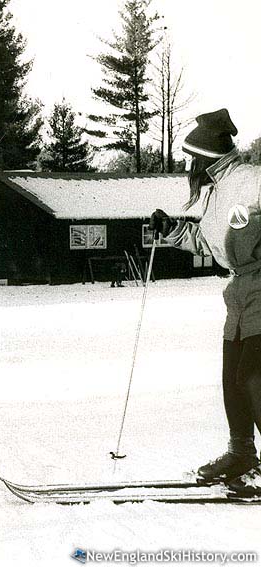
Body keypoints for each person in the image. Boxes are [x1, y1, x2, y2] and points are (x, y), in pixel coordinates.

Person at [150, 108, 261, 496]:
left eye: (189, 158)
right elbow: (206, 243)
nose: (187, 166)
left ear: (203, 156)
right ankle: (242, 454)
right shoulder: (216, 191)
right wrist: (174, 230)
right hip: (239, 293)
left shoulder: (248, 180)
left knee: (253, 379)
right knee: (232, 381)